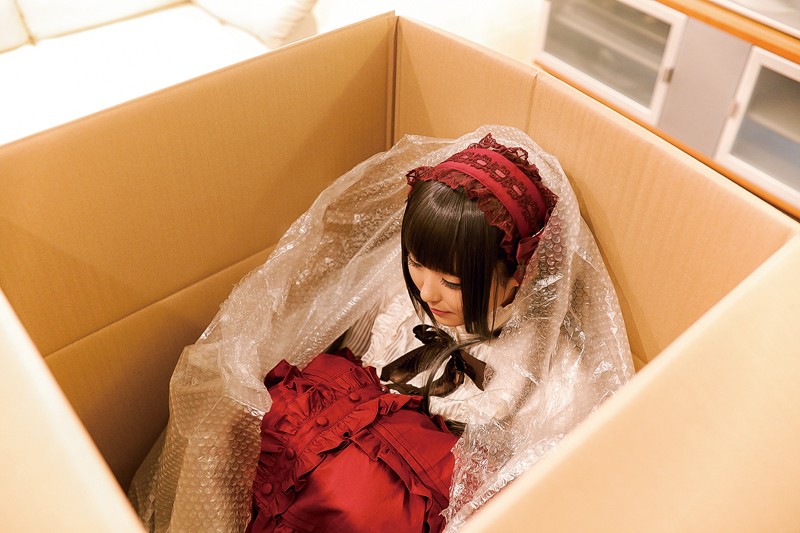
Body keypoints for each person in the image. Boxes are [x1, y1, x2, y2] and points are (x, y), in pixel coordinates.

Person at [129, 126, 634, 533]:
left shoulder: (551, 377)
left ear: (517, 275)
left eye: (453, 282)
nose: (428, 292)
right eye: (416, 262)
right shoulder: (393, 301)